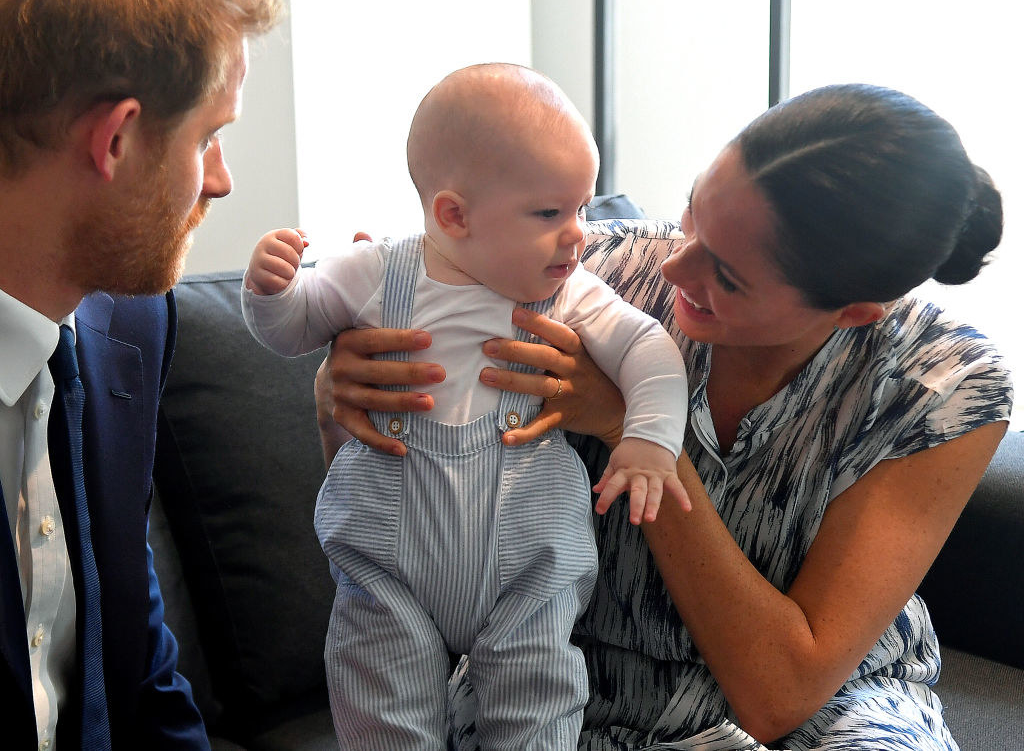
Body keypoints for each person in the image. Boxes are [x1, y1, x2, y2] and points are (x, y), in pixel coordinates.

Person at [319, 83, 1012, 751]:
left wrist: (631, 426)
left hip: (829, 710)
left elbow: (779, 694)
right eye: (692, 215)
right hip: (568, 679)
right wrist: (343, 394)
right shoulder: (586, 271)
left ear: (855, 310)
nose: (676, 268)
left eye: (729, 276)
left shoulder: (942, 385)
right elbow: (402, 510)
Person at [241, 63, 689, 748]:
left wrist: (650, 440)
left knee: (538, 702)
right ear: (454, 214)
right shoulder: (375, 272)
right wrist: (270, 293)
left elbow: (649, 348)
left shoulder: (568, 291)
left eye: (581, 207)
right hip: (388, 562)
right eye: (549, 213)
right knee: (380, 708)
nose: (577, 234)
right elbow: (291, 331)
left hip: (528, 560)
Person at [0, 0, 282, 748]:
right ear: (117, 139)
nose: (218, 181)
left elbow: (140, 665)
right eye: (208, 138)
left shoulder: (130, 322)